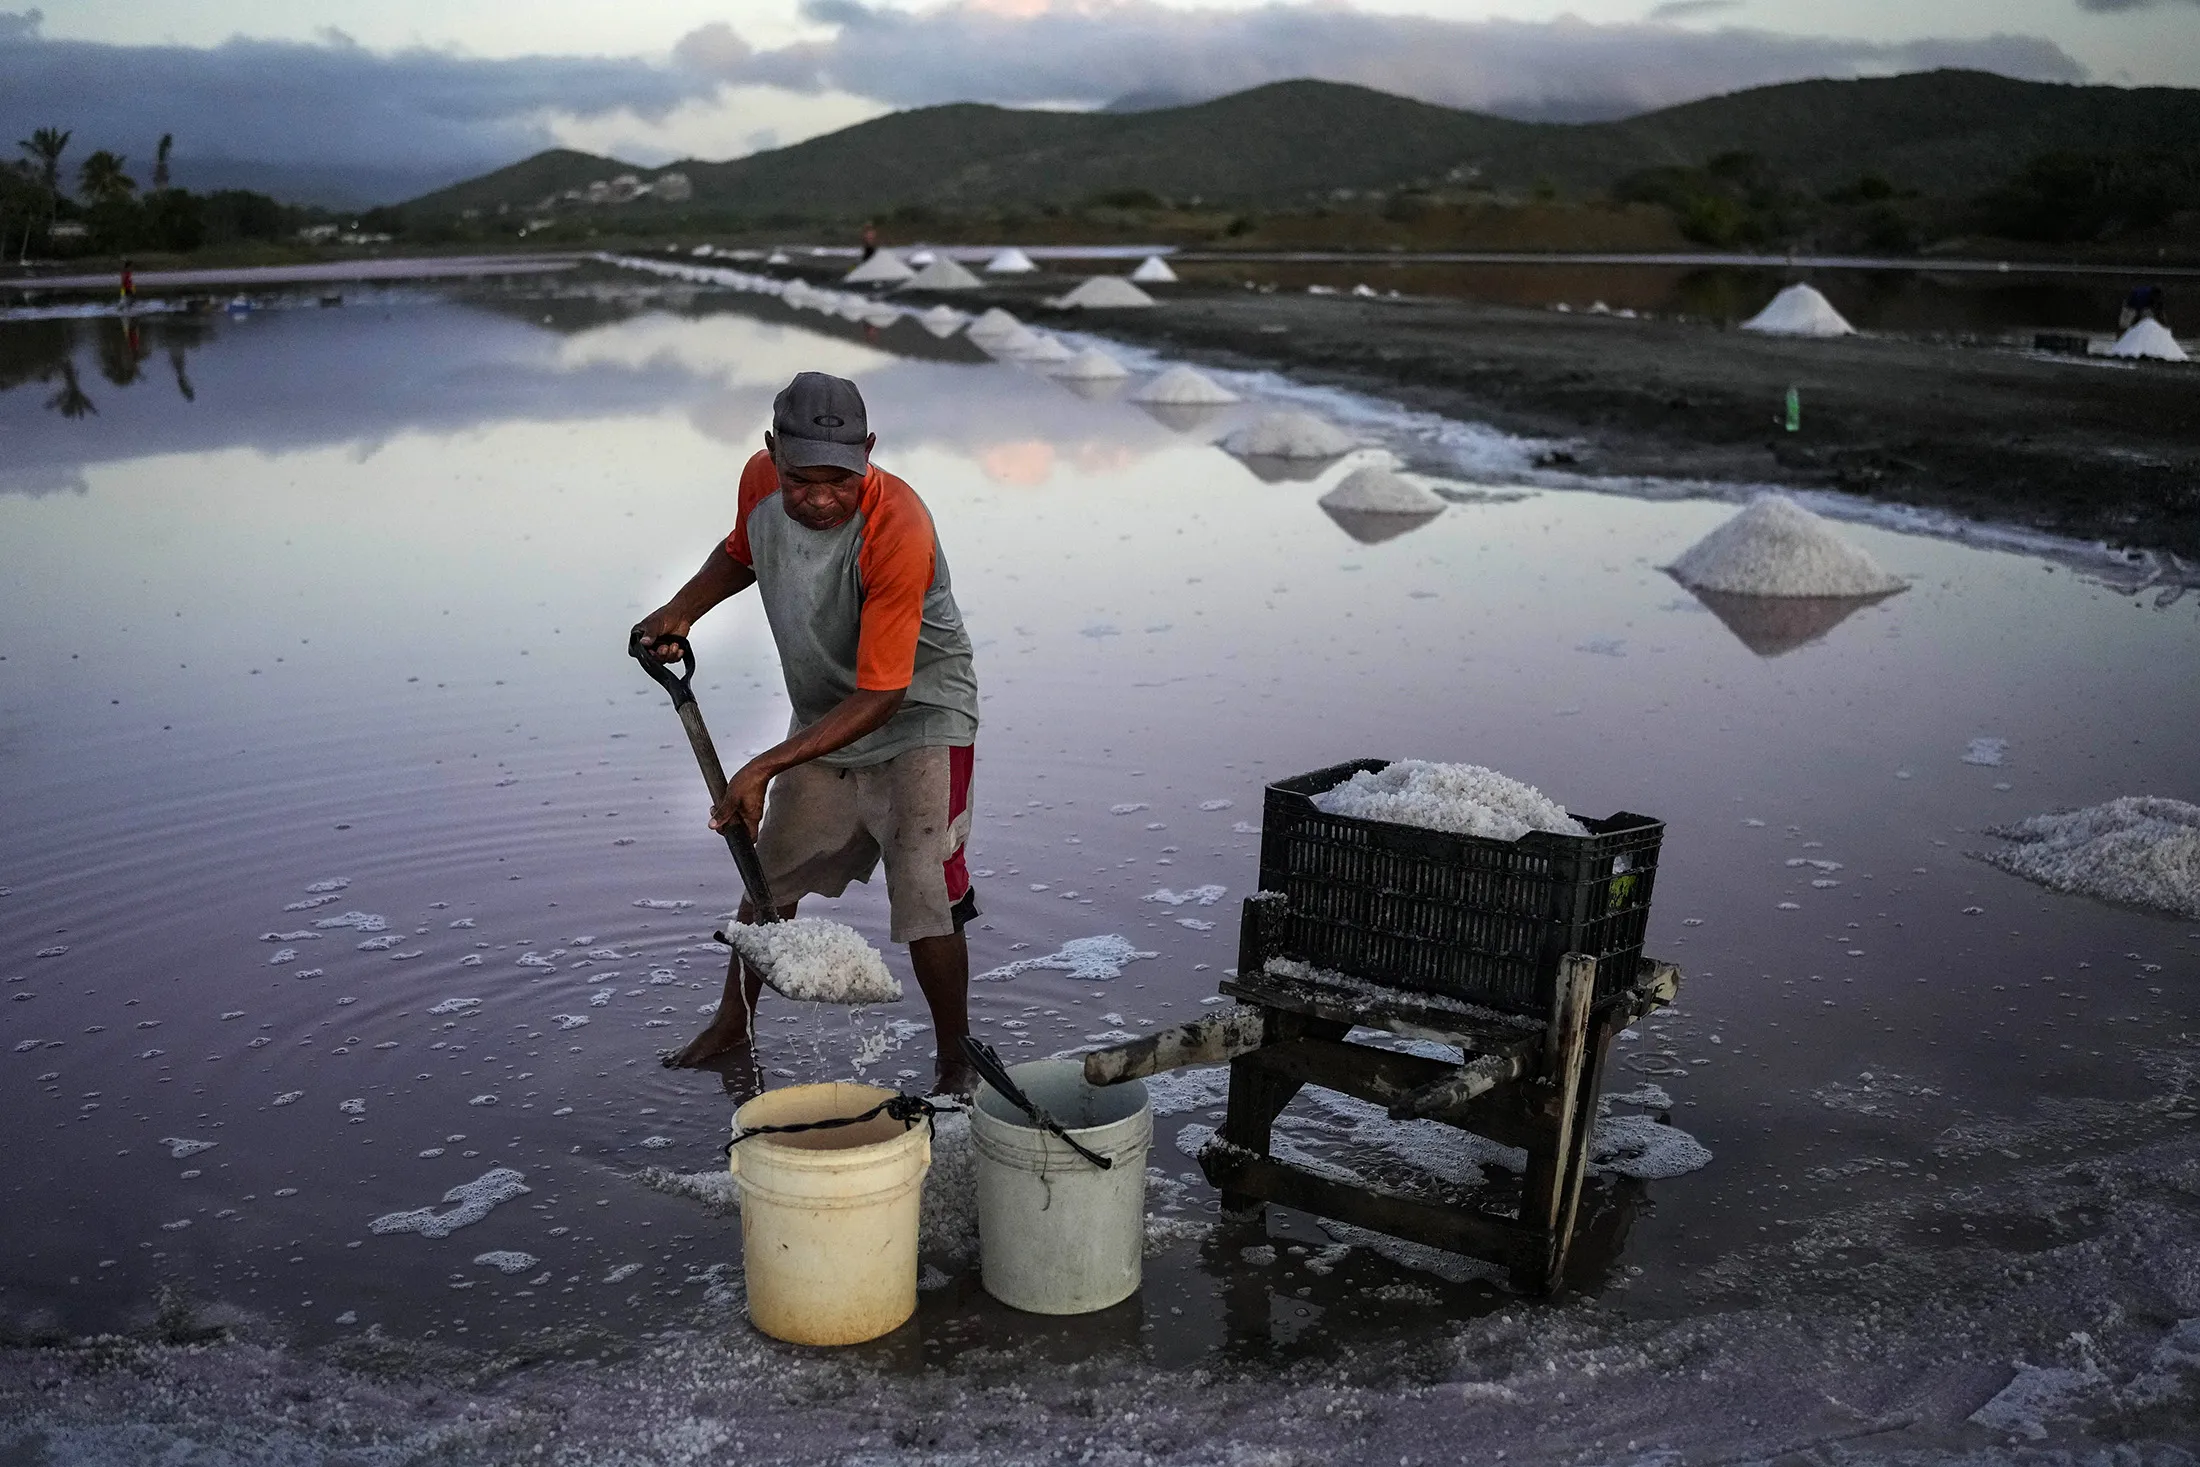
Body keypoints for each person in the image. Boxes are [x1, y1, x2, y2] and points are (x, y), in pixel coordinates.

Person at [633, 372, 980, 1095]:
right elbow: (742, 549)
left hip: (918, 715)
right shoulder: (759, 482)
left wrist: (761, 766)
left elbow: (884, 694)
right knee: (771, 873)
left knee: (925, 890)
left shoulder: (899, 526)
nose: (819, 498)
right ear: (772, 454)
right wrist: (681, 609)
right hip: (827, 715)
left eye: (838, 481)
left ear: (869, 454)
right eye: (800, 481)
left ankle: (955, 1059)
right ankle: (734, 1021)